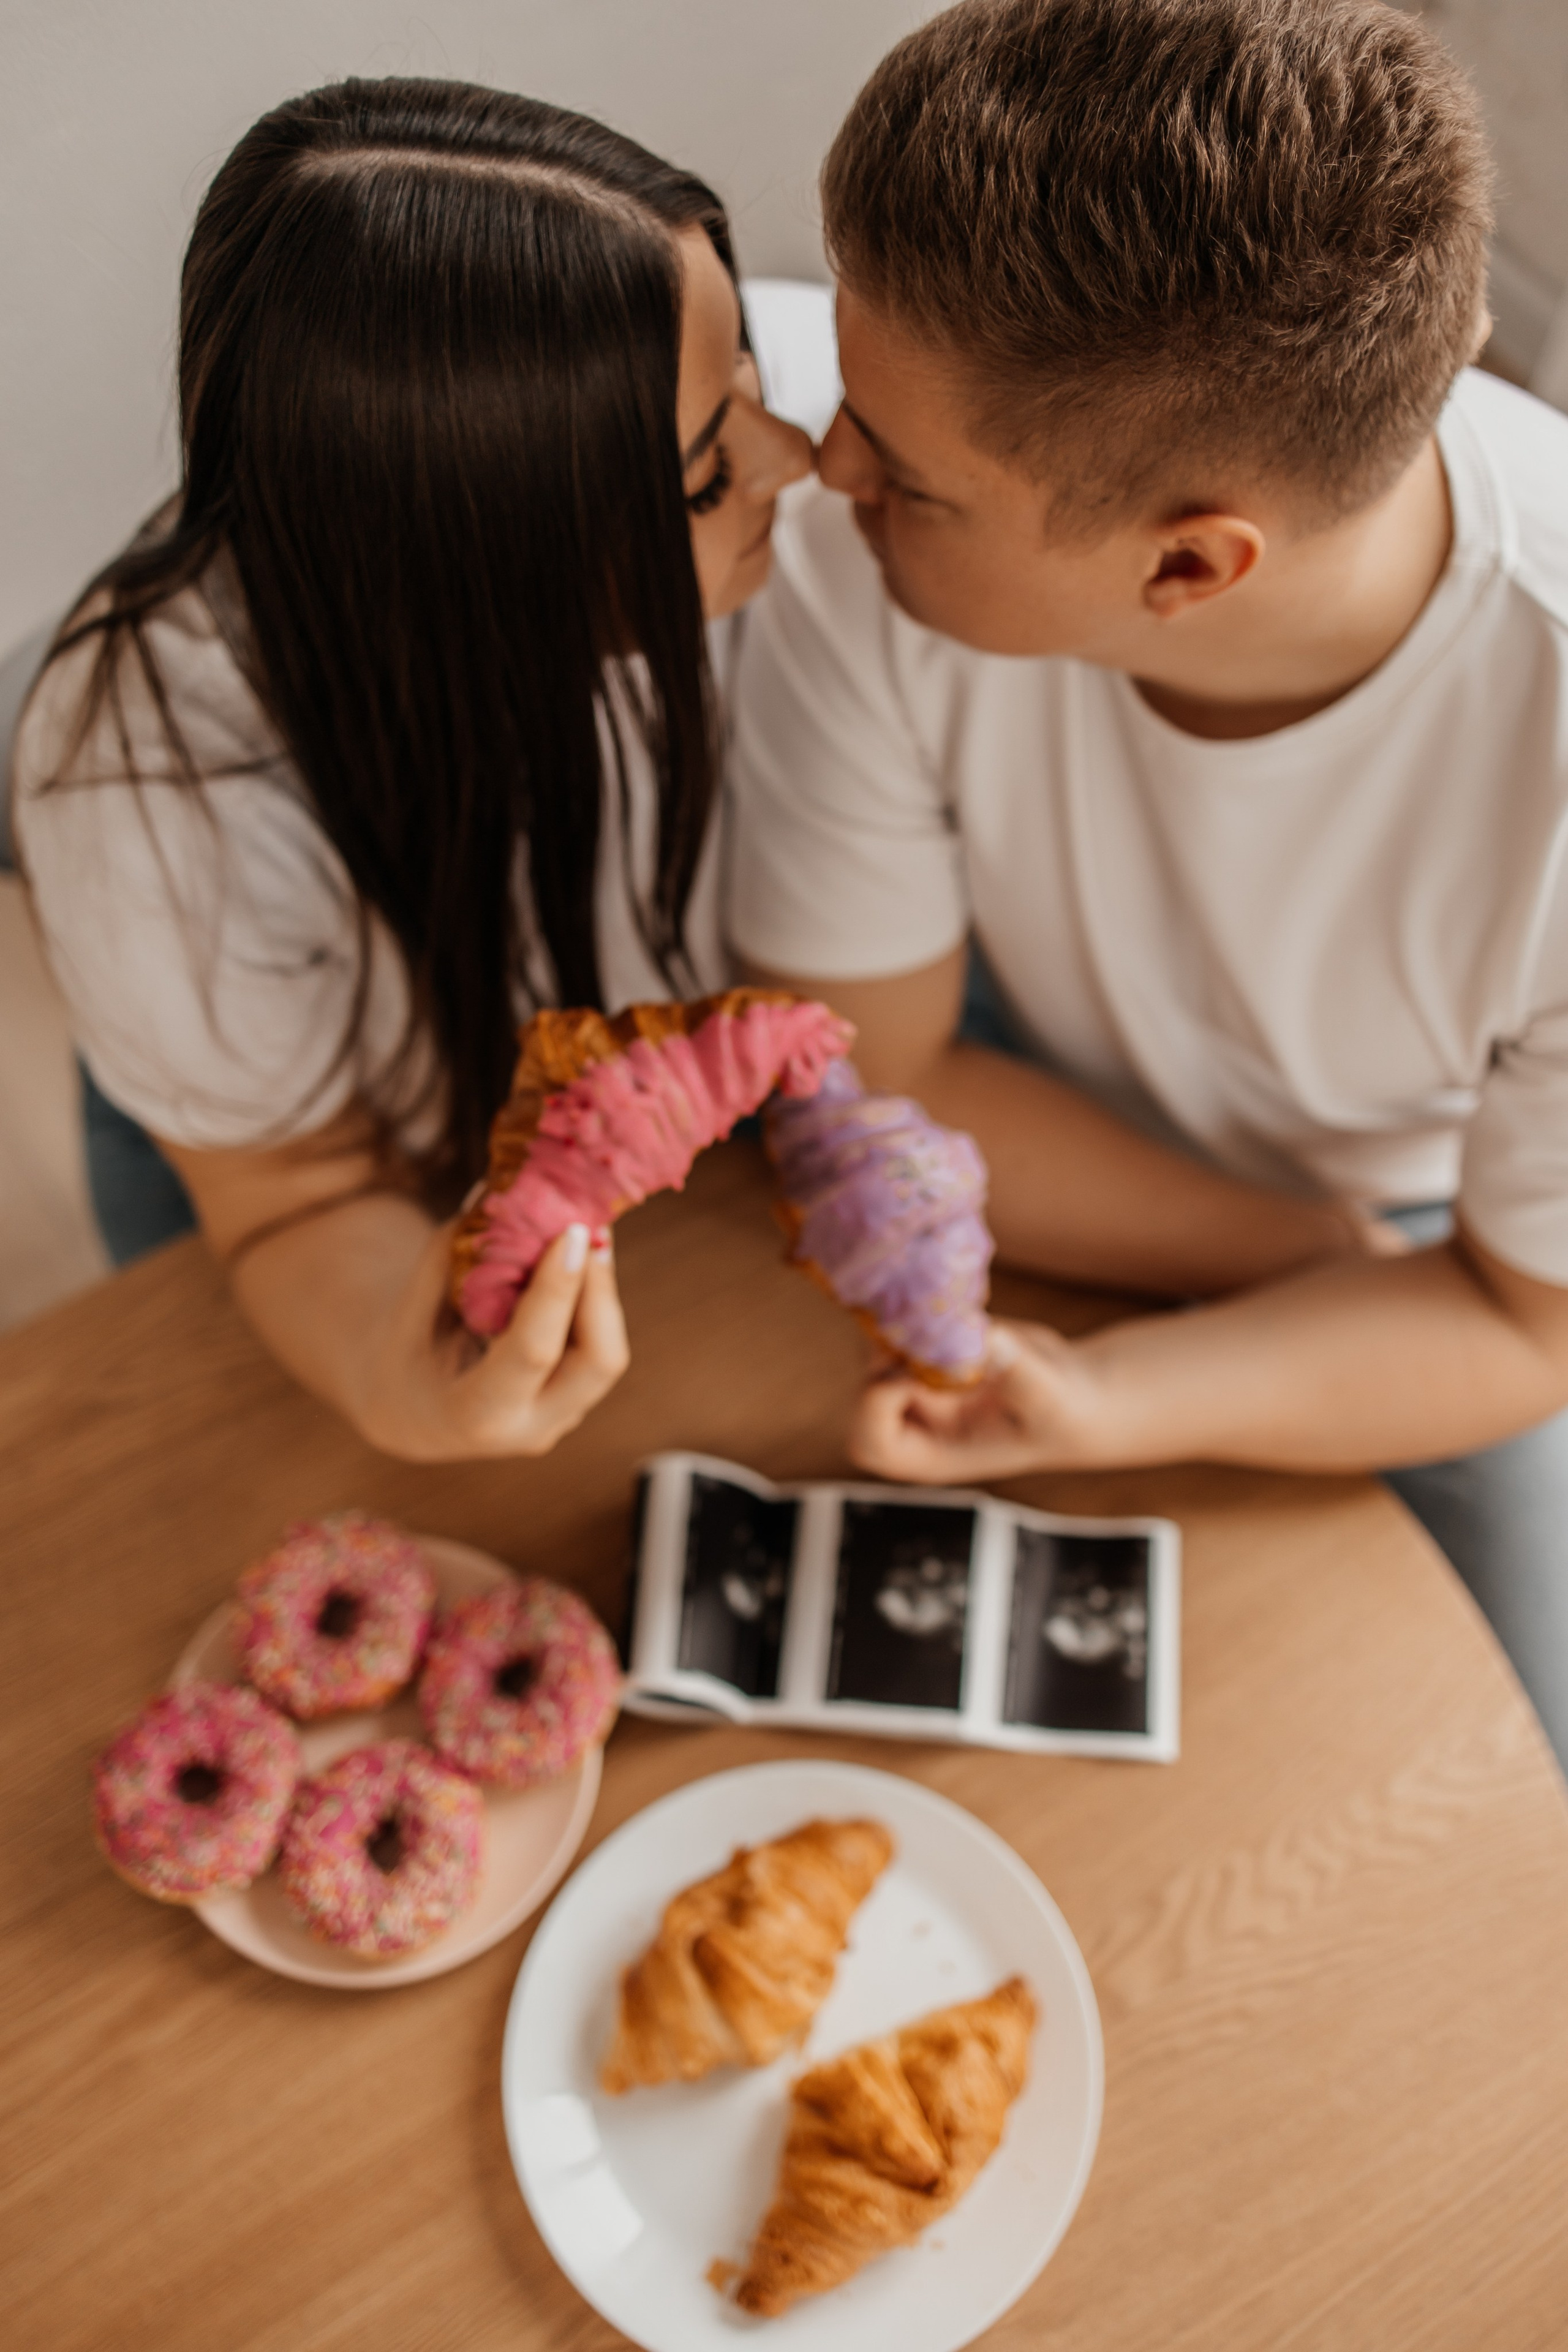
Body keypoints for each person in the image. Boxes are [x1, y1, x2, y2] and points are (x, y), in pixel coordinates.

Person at [728, 0, 1568, 1760]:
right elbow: (875, 1077)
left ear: (1191, 561)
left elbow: (1514, 1317)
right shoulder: (853, 533)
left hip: (1437, 1245)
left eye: (908, 479)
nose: (822, 468)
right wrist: (1277, 1247)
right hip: (1044, 1122)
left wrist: (1106, 1397)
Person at [15, 77, 810, 1464]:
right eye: (700, 476)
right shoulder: (146, 782)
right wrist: (414, 1379)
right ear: (479, 567)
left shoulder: (789, 453)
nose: (801, 460)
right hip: (307, 1161)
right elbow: (295, 1200)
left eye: (754, 387)